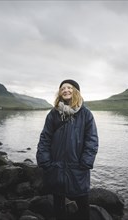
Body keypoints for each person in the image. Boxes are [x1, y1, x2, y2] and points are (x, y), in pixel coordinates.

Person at [36, 79, 99, 220]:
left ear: (76, 91)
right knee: (58, 204)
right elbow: (45, 138)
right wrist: (45, 161)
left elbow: (92, 140)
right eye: (63, 88)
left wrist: (85, 162)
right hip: (56, 167)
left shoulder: (86, 114)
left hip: (77, 167)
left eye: (69, 87)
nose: (66, 90)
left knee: (83, 204)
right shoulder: (53, 114)